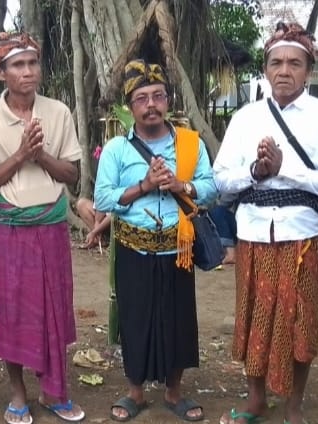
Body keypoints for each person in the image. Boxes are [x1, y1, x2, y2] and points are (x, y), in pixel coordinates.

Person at [213, 22, 318, 424]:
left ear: (309, 70)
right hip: (253, 231)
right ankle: (255, 400)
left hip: (301, 235)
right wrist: (256, 171)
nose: (284, 70)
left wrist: (286, 170)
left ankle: (293, 405)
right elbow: (222, 179)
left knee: (300, 317)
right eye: (276, 62)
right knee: (253, 314)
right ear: (266, 69)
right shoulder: (245, 118)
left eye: (294, 63)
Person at [0, 31, 86, 424]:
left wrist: (42, 155)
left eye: (32, 63)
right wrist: (22, 154)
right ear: (0, 72)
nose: (27, 72)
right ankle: (18, 394)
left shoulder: (58, 112)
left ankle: (55, 392)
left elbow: (71, 173)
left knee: (54, 308)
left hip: (52, 224)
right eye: (17, 65)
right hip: (12, 226)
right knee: (15, 313)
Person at [94, 59, 216, 423]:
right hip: (135, 248)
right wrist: (143, 187)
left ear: (169, 101)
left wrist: (183, 186)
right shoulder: (117, 149)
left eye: (158, 96)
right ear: (130, 107)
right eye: (142, 98)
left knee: (178, 321)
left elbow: (211, 187)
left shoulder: (190, 143)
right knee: (136, 320)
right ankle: (134, 392)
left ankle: (174, 391)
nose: (151, 105)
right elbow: (102, 198)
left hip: (178, 250)